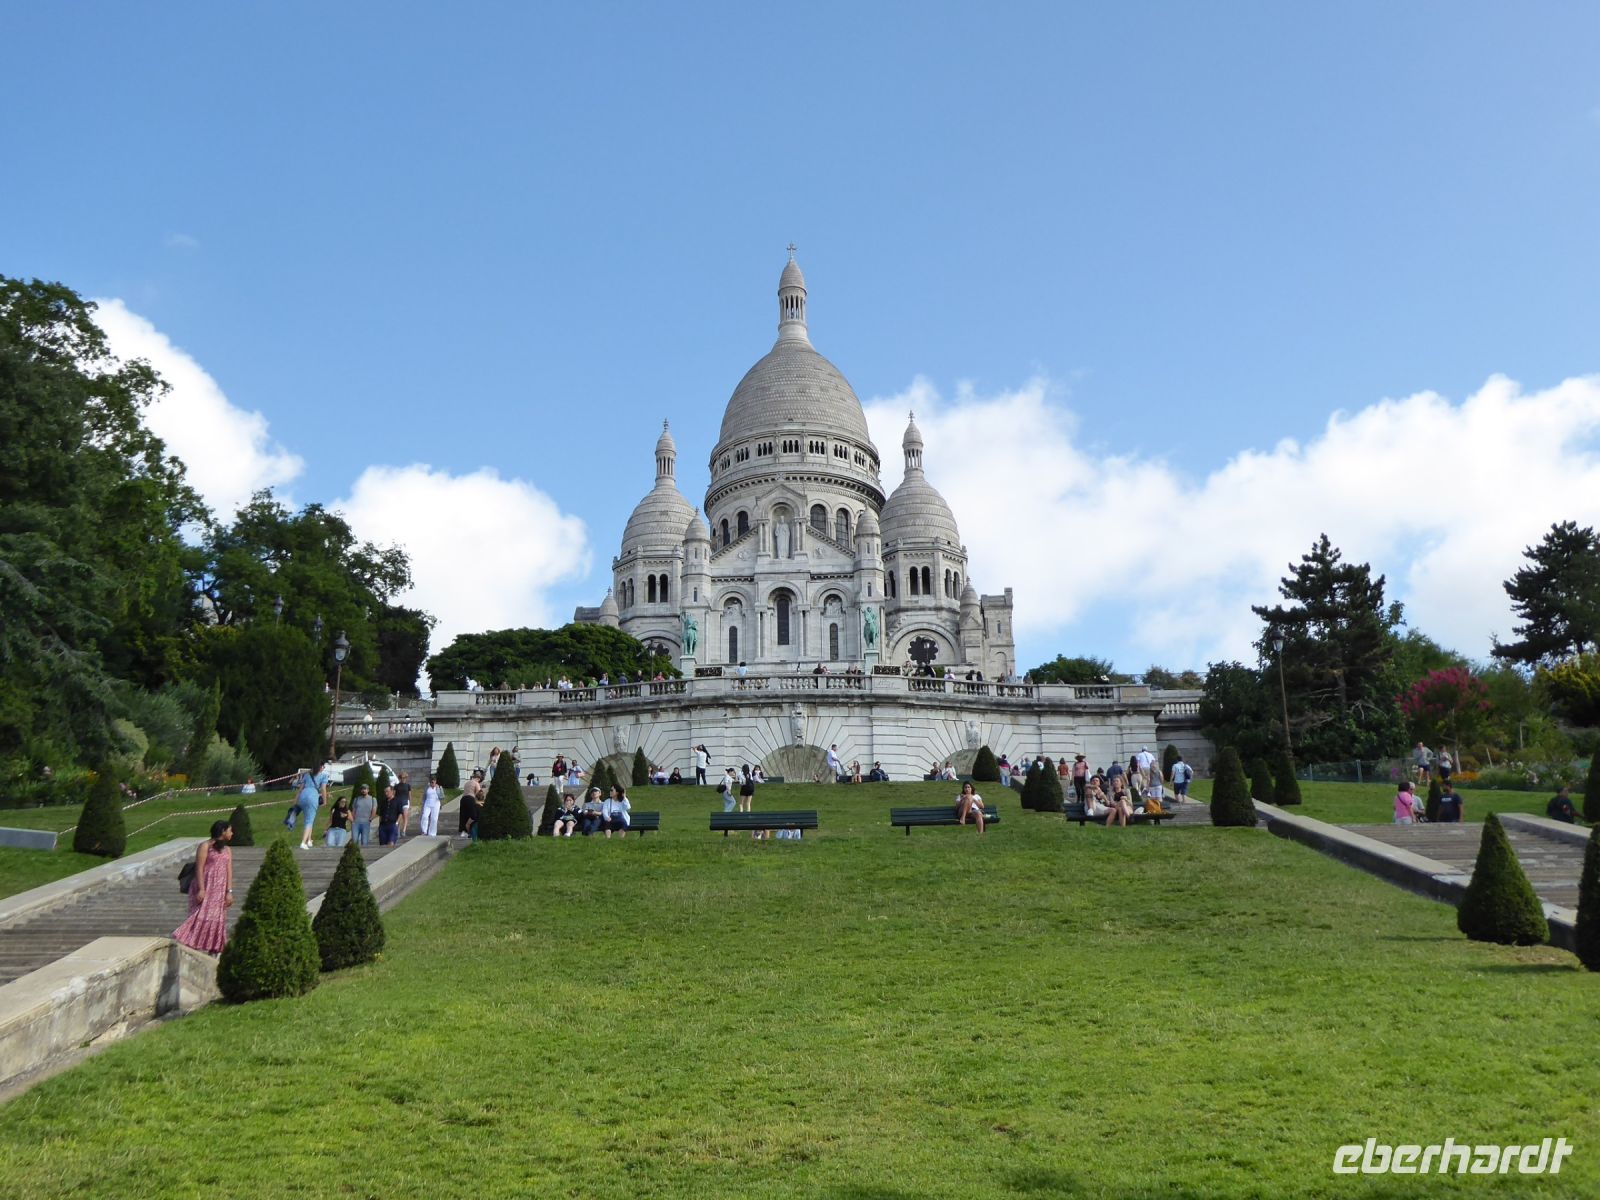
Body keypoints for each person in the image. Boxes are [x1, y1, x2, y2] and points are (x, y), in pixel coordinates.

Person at [174, 821, 234, 954]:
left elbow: (229, 871)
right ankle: (190, 943)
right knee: (199, 915)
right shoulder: (205, 846)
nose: (232, 833)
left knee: (217, 918)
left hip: (219, 890)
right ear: (223, 831)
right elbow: (199, 868)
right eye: (230, 830)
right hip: (206, 886)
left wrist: (229, 891)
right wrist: (201, 889)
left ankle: (214, 948)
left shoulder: (227, 850)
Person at [292, 765, 328, 850]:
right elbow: (323, 789)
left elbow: (300, 789)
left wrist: (295, 800)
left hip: (303, 796)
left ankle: (309, 840)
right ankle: (303, 842)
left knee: (308, 819)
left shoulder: (307, 775)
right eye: (323, 767)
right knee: (310, 820)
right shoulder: (323, 776)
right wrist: (325, 800)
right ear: (321, 767)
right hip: (312, 796)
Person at [394, 770, 412, 840]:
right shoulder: (396, 786)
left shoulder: (408, 786)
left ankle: (404, 830)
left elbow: (410, 795)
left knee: (405, 815)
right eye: (402, 778)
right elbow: (394, 795)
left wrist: (410, 804)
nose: (403, 779)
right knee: (399, 816)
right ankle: (397, 831)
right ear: (399, 778)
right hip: (398, 802)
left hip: (405, 802)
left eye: (404, 778)